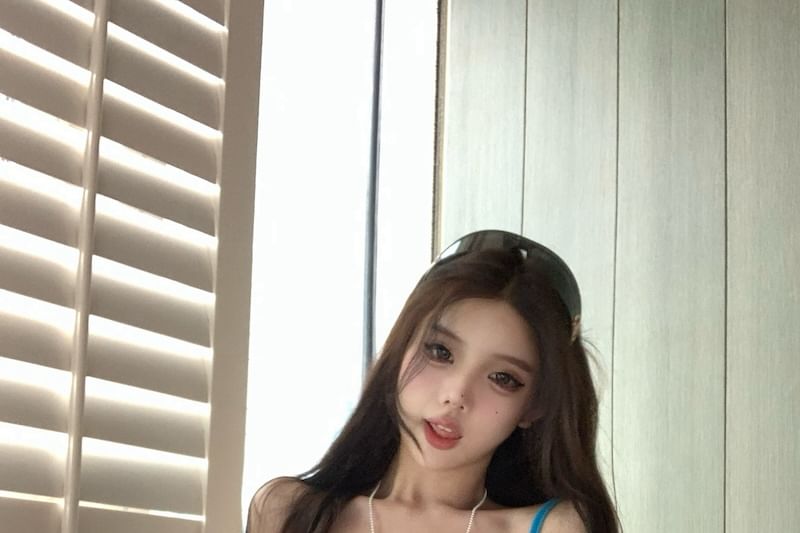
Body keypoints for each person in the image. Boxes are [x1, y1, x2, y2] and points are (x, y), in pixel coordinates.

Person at [247, 230, 620, 533]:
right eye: (440, 352)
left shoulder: (556, 528)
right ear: (401, 348)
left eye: (502, 378)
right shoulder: (288, 514)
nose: (456, 395)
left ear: (534, 406)